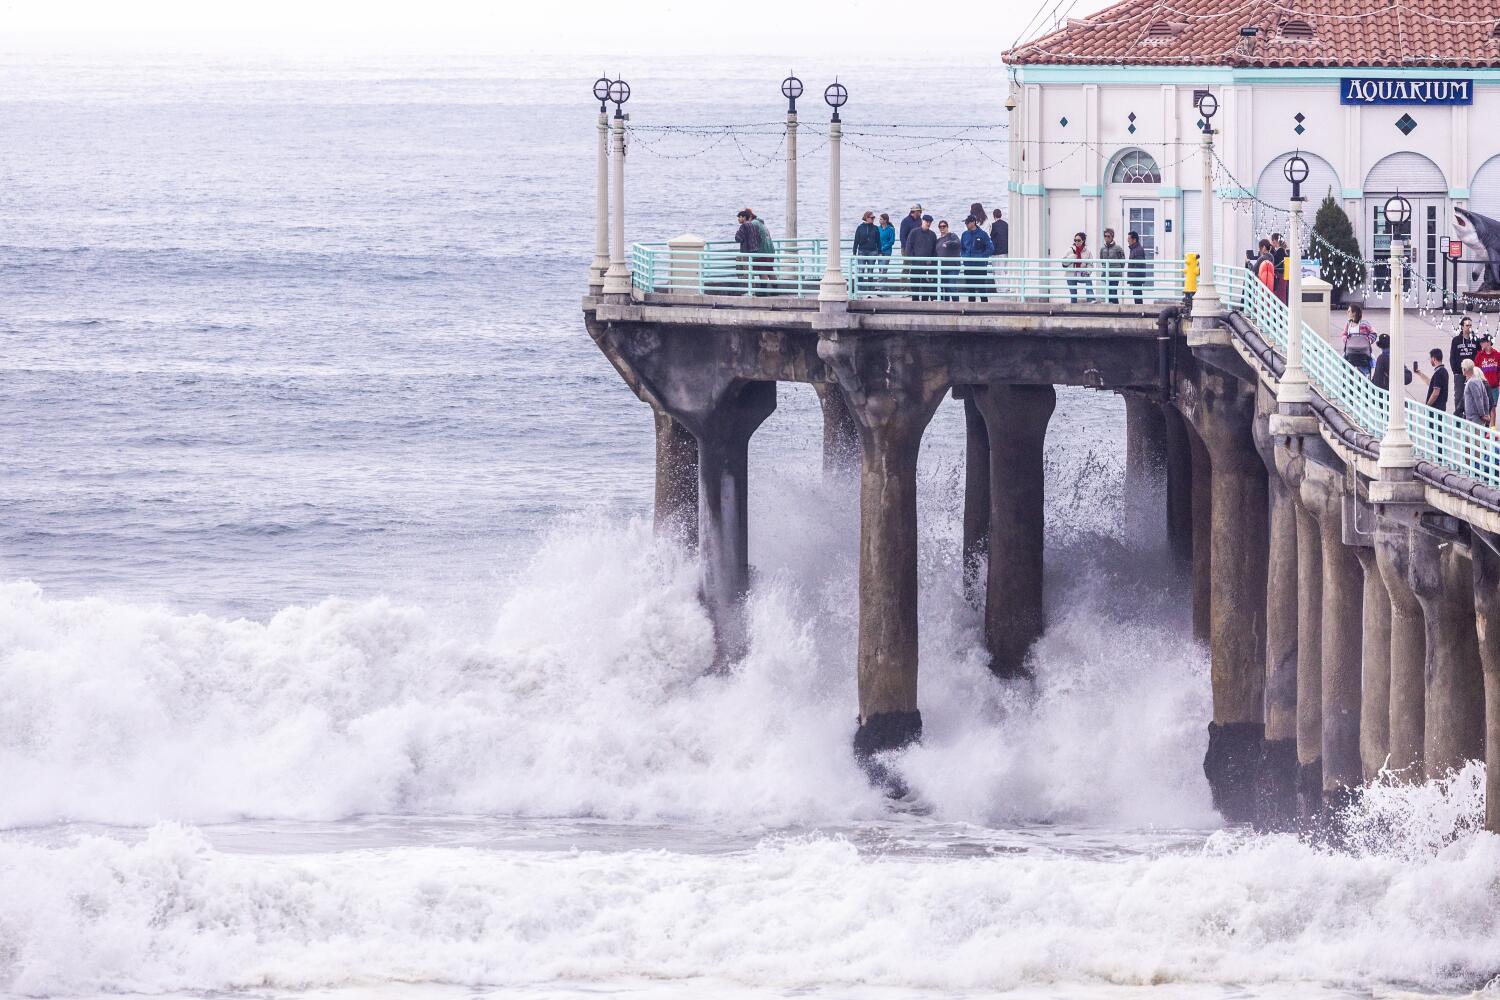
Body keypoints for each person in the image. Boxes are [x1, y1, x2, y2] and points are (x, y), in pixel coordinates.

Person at [1450, 315, 1480, 417]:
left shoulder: (1475, 340)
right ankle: (1458, 418)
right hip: (1460, 373)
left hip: (1472, 373)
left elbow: (1479, 354)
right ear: (1462, 327)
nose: (1469, 328)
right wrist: (1456, 371)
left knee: (1472, 395)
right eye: (1467, 325)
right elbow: (1452, 357)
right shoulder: (1456, 340)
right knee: (1459, 395)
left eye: (1470, 325)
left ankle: (1469, 417)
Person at [903, 213, 938, 301]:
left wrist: (932, 262)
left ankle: (925, 304)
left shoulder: (932, 235)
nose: (928, 223)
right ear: (922, 221)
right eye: (927, 221)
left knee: (926, 287)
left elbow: (934, 250)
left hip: (928, 265)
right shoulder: (914, 232)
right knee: (914, 285)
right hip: (916, 264)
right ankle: (915, 302)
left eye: (930, 222)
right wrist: (912, 260)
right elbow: (908, 247)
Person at [960, 215, 994, 301]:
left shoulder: (983, 234)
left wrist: (982, 257)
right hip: (968, 265)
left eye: (967, 222)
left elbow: (990, 248)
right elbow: (962, 248)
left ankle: (984, 306)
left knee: (981, 288)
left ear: (973, 222)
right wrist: (964, 256)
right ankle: (971, 307)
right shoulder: (964, 235)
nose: (966, 224)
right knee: (970, 289)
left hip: (980, 266)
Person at [1340, 303, 1377, 375]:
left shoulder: (1365, 323)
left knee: (1364, 372)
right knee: (1347, 369)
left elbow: (1374, 333)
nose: (1347, 313)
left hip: (1363, 353)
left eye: (1349, 311)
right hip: (1350, 352)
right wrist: (1346, 340)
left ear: (1354, 313)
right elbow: (1344, 334)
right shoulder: (1348, 324)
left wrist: (1368, 341)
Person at [1412, 348, 1450, 412]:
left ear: (1434, 359)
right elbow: (1431, 383)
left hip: (1435, 409)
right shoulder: (1444, 371)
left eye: (1430, 359)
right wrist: (1420, 374)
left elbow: (1436, 392)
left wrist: (1427, 406)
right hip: (1441, 407)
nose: (1430, 361)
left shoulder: (1438, 373)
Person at [734, 209, 762, 292]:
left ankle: (750, 291)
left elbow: (738, 238)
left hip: (746, 251)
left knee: (747, 272)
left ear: (743, 217)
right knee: (750, 271)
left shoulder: (743, 226)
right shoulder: (752, 225)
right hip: (754, 251)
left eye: (739, 217)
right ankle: (751, 290)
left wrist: (737, 233)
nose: (738, 219)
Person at [934, 219, 962, 301]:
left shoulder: (952, 235)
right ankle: (946, 306)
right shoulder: (938, 240)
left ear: (947, 227)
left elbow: (957, 243)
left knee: (951, 286)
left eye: (944, 226)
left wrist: (948, 243)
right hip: (942, 267)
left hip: (953, 266)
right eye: (940, 227)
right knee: (945, 288)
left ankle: (956, 304)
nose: (942, 228)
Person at [1097, 228, 1126, 303]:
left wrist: (1118, 269)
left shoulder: (1118, 248)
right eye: (1105, 236)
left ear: (1112, 237)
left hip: (1115, 273)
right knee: (1109, 292)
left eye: (1108, 236)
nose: (1106, 238)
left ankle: (1116, 308)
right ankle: (1112, 307)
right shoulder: (1102, 249)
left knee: (1113, 292)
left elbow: (1122, 261)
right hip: (1106, 273)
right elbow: (1102, 260)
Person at [748, 208, 775, 288]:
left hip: (761, 251)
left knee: (762, 270)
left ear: (749, 216)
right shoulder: (761, 223)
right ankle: (775, 289)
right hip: (770, 250)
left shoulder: (753, 224)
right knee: (769, 270)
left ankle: (763, 290)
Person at [853, 211, 881, 286]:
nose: (873, 219)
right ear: (866, 218)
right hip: (862, 250)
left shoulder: (875, 228)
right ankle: (860, 290)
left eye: (874, 218)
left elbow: (878, 241)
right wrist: (854, 252)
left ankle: (869, 290)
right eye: (872, 218)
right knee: (861, 270)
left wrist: (880, 252)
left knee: (870, 271)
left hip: (872, 251)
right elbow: (856, 240)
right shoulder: (860, 228)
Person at [1462, 359, 1492, 428]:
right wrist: (1486, 413)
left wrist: (1482, 415)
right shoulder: (1479, 380)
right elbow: (1485, 398)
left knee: (1473, 438)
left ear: (1465, 369)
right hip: (1475, 418)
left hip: (1473, 419)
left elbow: (1478, 399)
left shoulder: (1471, 382)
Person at [1475, 334, 1500, 418]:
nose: (1481, 343)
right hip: (1483, 387)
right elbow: (1476, 370)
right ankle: (1485, 429)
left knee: (1493, 408)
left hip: (1494, 387)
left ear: (1489, 342)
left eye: (1483, 342)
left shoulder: (1497, 355)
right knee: (1483, 408)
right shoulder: (1479, 355)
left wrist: (1498, 382)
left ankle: (1492, 428)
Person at [1064, 231, 1092, 303]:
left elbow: (1090, 264)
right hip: (1071, 275)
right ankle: (1073, 310)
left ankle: (1091, 300)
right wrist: (1072, 257)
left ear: (1083, 241)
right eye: (1075, 240)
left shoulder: (1087, 251)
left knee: (1088, 280)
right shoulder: (1070, 250)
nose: (1077, 242)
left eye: (1079, 240)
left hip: (1082, 274)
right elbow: (1064, 263)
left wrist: (1087, 272)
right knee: (1073, 296)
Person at [1126, 231, 1149, 304]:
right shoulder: (1134, 249)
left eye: (1129, 238)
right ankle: (1140, 309)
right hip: (1136, 277)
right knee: (1137, 294)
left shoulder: (1137, 250)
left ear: (1134, 240)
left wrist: (1133, 277)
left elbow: (1139, 265)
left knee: (1137, 294)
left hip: (1137, 277)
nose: (1128, 240)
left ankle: (1140, 310)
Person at [1270, 232, 1289, 304]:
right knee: (1282, 294)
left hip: (1279, 276)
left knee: (1279, 294)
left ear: (1275, 241)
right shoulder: (1282, 251)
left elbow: (1274, 262)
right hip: (1283, 276)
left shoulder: (1280, 251)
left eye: (1272, 241)